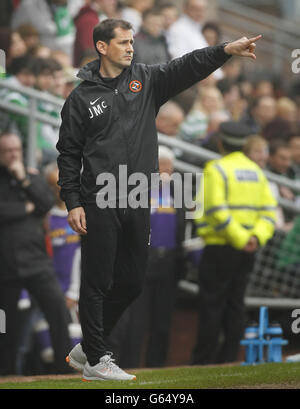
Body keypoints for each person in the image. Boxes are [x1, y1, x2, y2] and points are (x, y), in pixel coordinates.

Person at [56, 17, 263, 381]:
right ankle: (97, 359)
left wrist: (225, 51)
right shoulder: (80, 98)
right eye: (122, 43)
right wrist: (73, 201)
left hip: (137, 196)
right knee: (97, 281)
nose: (130, 48)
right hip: (98, 198)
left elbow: (187, 66)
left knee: (133, 282)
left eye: (132, 41)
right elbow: (68, 154)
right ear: (102, 47)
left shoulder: (146, 80)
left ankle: (89, 347)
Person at [192, 121, 277, 365]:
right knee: (235, 304)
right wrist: (254, 238)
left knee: (212, 305)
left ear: (220, 142)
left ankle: (202, 362)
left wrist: (239, 238)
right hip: (247, 250)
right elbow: (269, 213)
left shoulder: (215, 169)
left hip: (220, 246)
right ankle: (228, 361)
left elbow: (215, 210)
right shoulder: (256, 171)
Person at [0, 132, 71, 375]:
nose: (13, 155)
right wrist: (25, 208)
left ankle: (64, 369)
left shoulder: (32, 177)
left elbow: (44, 203)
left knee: (58, 314)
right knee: (4, 326)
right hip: (6, 267)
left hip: (37, 264)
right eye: (8, 151)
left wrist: (24, 181)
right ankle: (6, 374)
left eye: (16, 150)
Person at [120, 145, 186, 369]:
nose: (165, 174)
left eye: (169, 169)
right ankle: (130, 365)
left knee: (163, 322)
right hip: (142, 262)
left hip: (168, 263)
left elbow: (181, 229)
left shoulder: (179, 195)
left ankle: (157, 366)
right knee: (136, 322)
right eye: (161, 168)